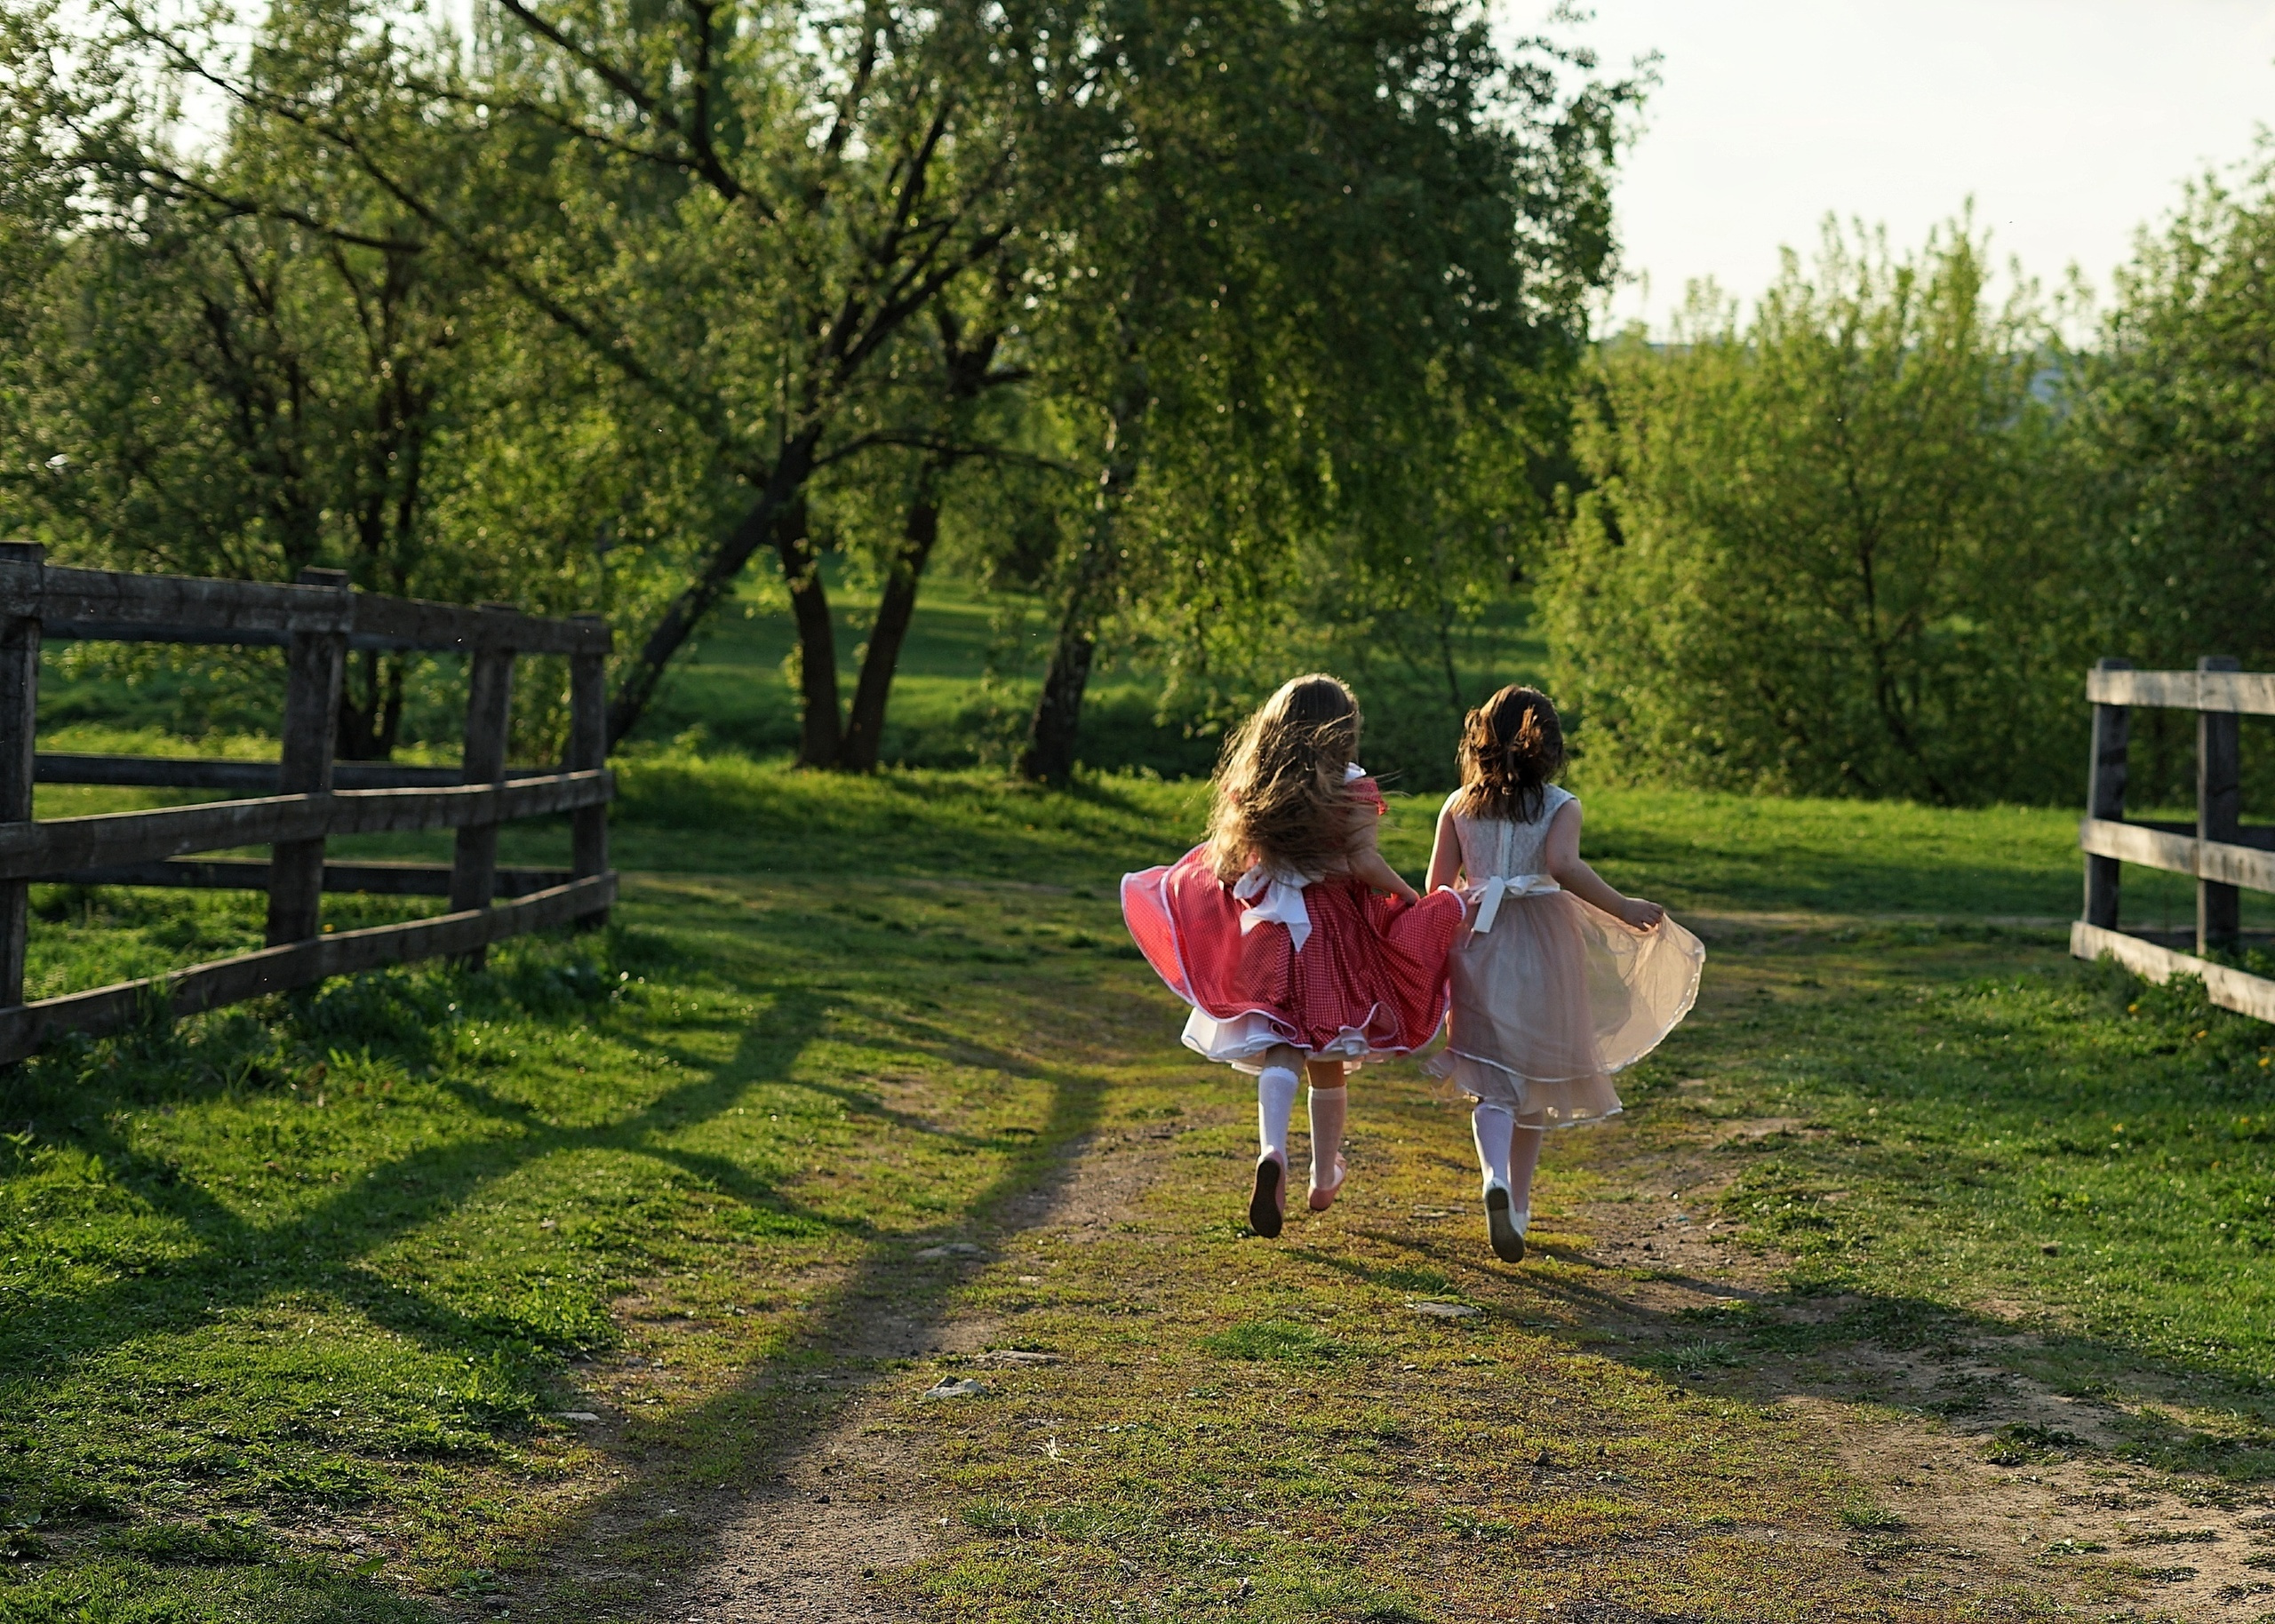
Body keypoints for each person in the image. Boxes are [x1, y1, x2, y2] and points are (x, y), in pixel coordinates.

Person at [1123, 674, 1465, 1238]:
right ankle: (1324, 1173)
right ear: (1343, 733)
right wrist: (1410, 897)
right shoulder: (1351, 787)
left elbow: (1229, 864)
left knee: (1283, 1042)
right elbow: (1362, 864)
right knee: (1327, 1051)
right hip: (1331, 932)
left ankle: (1272, 1149)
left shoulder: (1255, 783)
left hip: (1268, 933)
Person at [1424, 685, 1703, 1263]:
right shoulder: (1559, 805)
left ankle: (1493, 1182)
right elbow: (1562, 866)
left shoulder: (1457, 805)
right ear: (1550, 746)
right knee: (1535, 1082)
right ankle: (1517, 1212)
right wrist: (1620, 906)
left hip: (1476, 942)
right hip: (1544, 944)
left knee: (1491, 1080)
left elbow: (1436, 889)